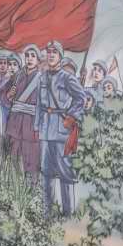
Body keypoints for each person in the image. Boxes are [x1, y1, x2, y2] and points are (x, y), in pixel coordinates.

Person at [35, 41, 90, 215]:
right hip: (45, 130)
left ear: (60, 56)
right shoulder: (42, 77)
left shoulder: (67, 78)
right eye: (49, 52)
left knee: (65, 172)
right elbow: (39, 104)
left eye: (55, 52)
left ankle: (68, 214)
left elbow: (81, 98)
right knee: (46, 172)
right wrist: (37, 126)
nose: (51, 55)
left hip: (61, 131)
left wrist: (72, 116)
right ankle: (47, 212)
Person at [3, 45, 45, 177]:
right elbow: (4, 98)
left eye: (33, 56)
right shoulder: (17, 76)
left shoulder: (43, 79)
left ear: (38, 60)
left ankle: (31, 185)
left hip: (31, 124)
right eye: (27, 56)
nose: (30, 59)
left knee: (31, 158)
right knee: (13, 156)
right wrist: (8, 95)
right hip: (15, 123)